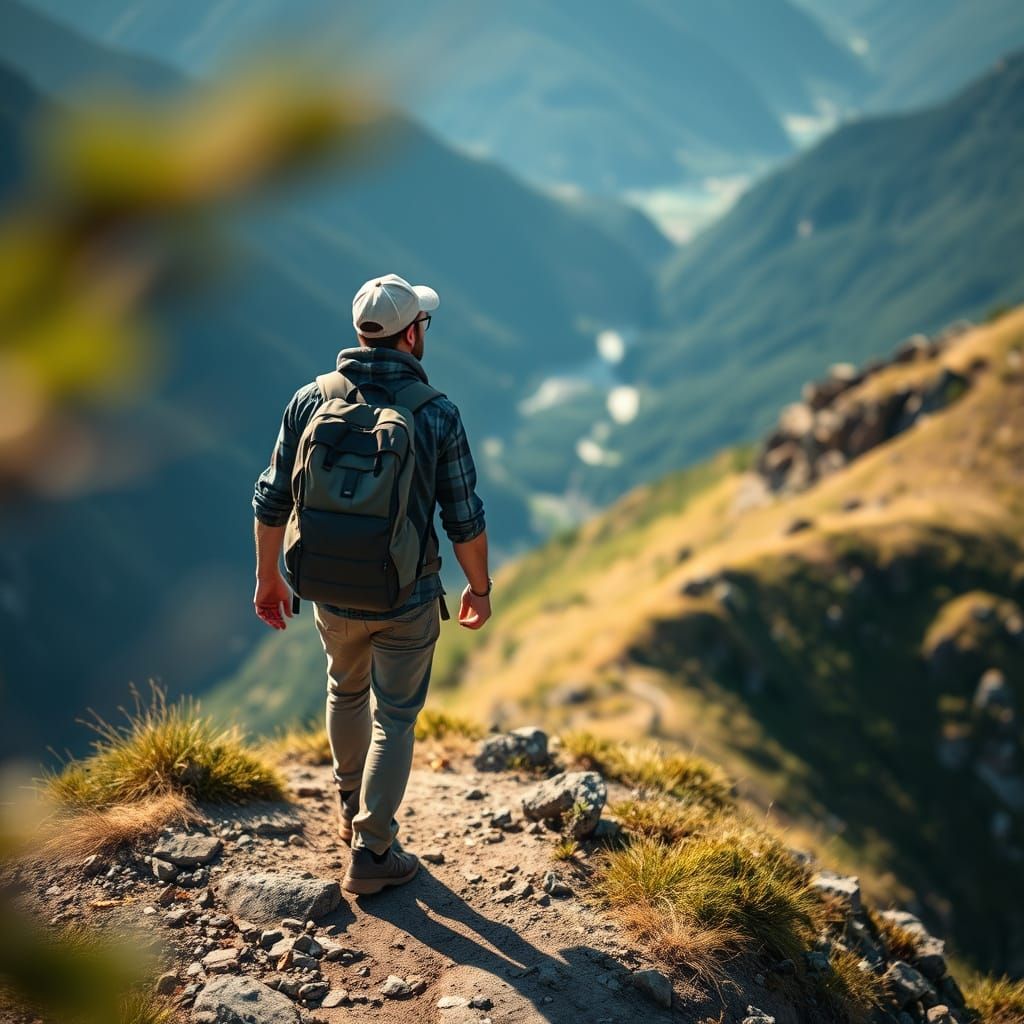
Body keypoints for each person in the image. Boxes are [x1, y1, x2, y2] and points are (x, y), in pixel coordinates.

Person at [251, 273, 491, 894]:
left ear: (361, 332)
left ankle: (348, 808)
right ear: (411, 335)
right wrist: (479, 588)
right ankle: (373, 849)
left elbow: (272, 497)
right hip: (407, 594)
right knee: (397, 718)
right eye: (423, 324)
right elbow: (463, 516)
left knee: (345, 691)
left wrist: (268, 576)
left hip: (329, 589)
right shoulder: (436, 412)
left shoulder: (310, 399)